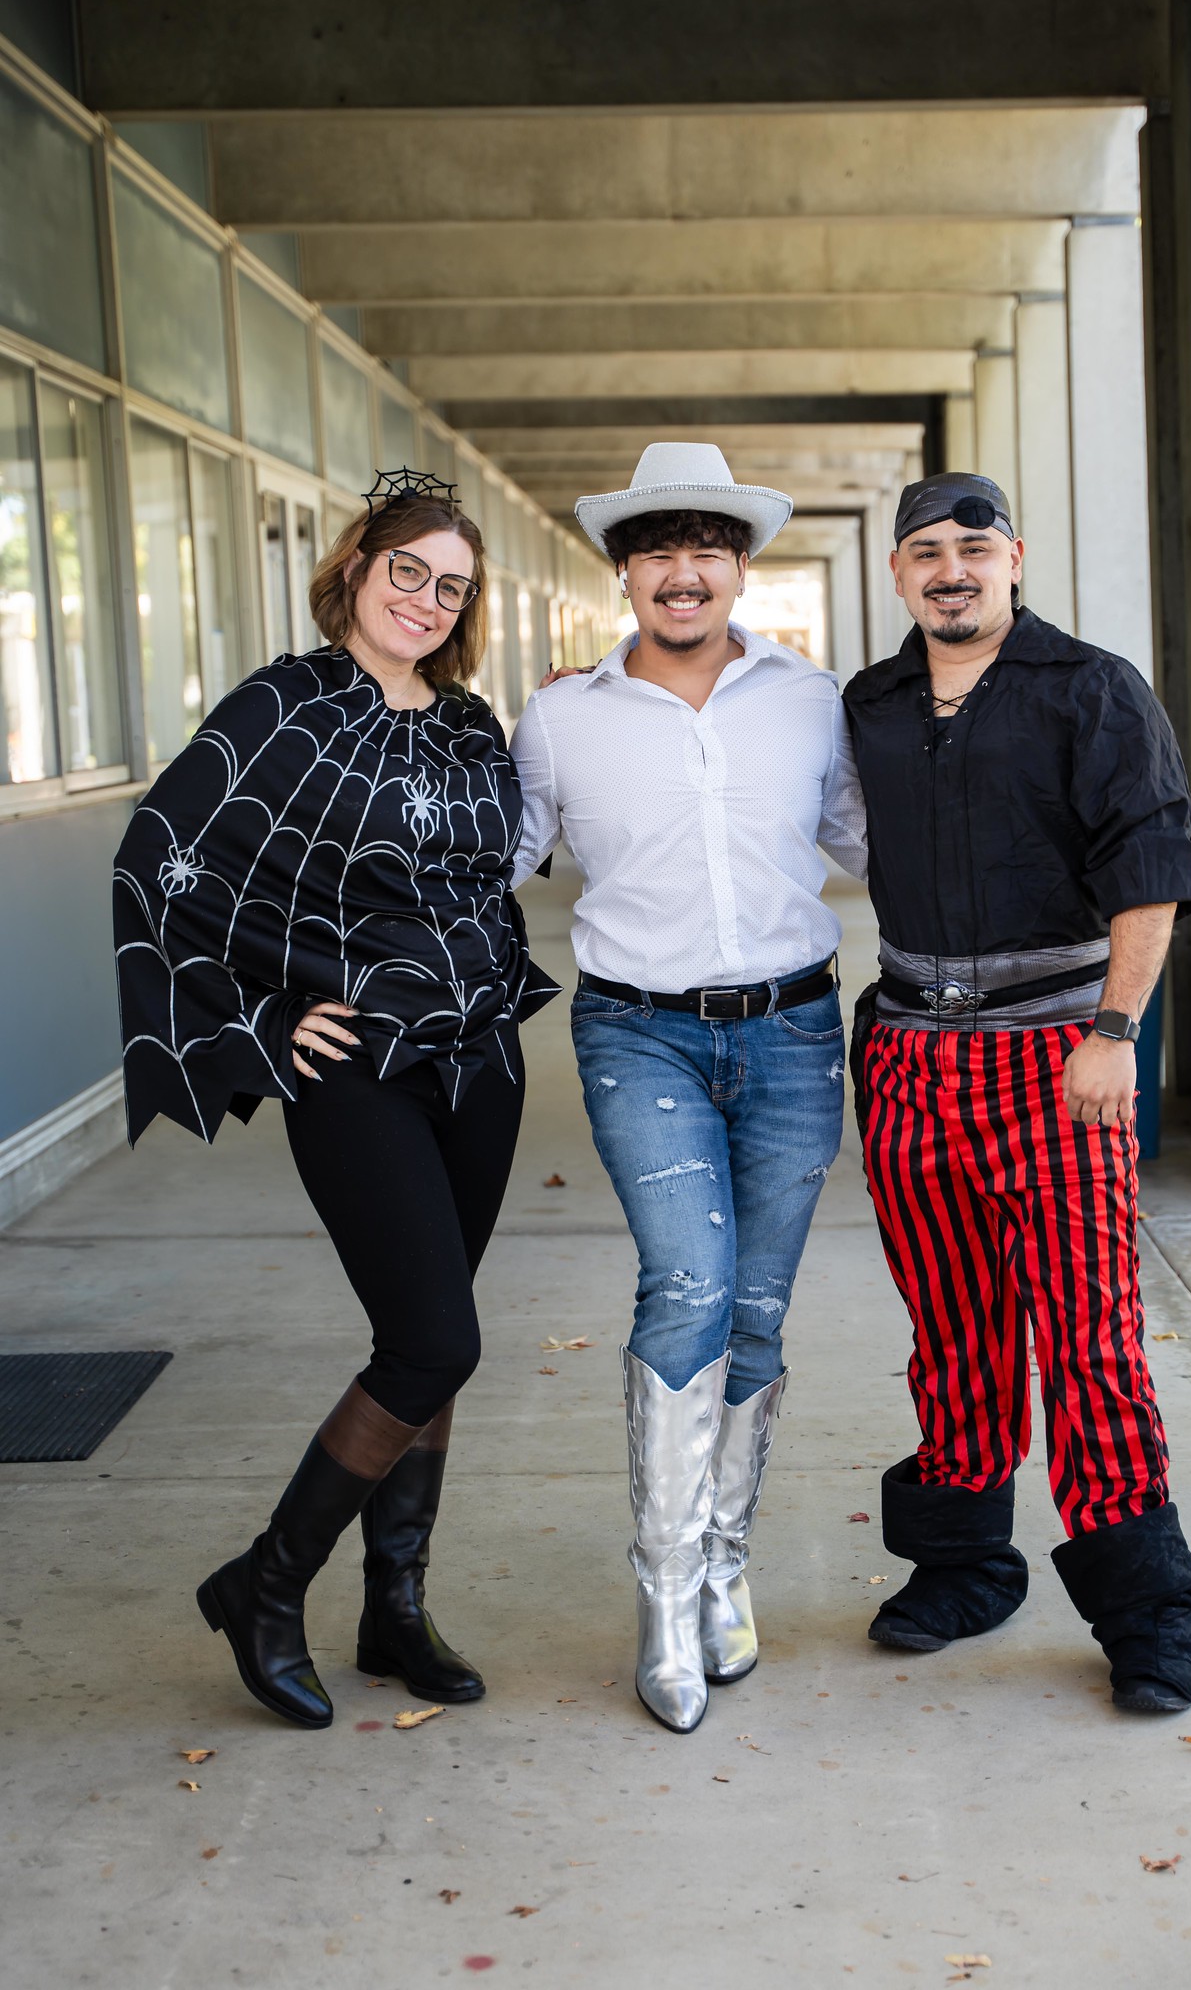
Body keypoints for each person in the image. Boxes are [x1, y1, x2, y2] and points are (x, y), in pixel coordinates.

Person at [113, 469, 554, 1730]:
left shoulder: (469, 722)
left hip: (481, 1059)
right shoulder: (283, 700)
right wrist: (261, 1017)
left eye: (452, 584)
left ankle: (393, 1606)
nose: (427, 598)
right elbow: (160, 858)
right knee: (435, 1340)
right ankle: (265, 1583)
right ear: (357, 569)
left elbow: (497, 866)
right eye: (407, 570)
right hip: (355, 1067)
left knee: (428, 1343)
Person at [510, 442, 866, 1732]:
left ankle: (724, 1564)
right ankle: (663, 1595)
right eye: (655, 546)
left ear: (741, 566)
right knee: (692, 1286)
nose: (682, 568)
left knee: (758, 1311)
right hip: (639, 1035)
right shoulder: (561, 717)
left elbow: (881, 840)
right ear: (623, 571)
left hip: (792, 1035)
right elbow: (489, 860)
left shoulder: (812, 701)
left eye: (706, 545)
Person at [843, 470, 1191, 1715]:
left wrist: (1116, 1030)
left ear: (1014, 556)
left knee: (1089, 1337)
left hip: (1056, 1059)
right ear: (898, 572)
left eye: (974, 545)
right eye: (926, 550)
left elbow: (1152, 863)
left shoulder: (1093, 687)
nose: (951, 568)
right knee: (954, 1328)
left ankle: (1149, 1608)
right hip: (909, 1055)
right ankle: (964, 1565)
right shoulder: (871, 702)